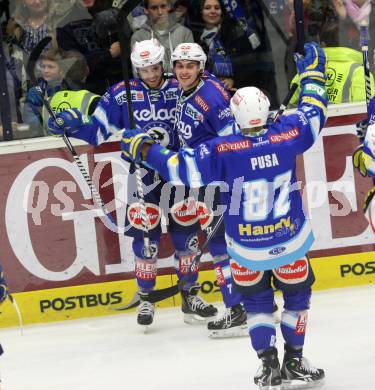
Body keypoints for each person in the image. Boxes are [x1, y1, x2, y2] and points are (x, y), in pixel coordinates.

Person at [120, 42, 327, 389]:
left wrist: (142, 147)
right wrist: (313, 77)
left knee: (259, 307)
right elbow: (315, 110)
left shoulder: (221, 151)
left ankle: (268, 366)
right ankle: (294, 360)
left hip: (246, 249)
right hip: (290, 242)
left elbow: (176, 167)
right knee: (296, 301)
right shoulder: (287, 133)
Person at [47, 38, 218, 328]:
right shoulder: (120, 93)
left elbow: (213, 103)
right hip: (142, 175)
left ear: (163, 63)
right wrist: (72, 125)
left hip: (179, 172)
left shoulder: (182, 85)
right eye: (143, 70)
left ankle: (190, 295)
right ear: (135, 68)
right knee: (145, 241)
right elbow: (98, 133)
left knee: (187, 239)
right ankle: (146, 298)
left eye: (154, 68)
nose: (150, 75)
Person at [167, 42, 249, 337]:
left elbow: (230, 141)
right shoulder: (183, 90)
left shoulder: (211, 98)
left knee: (220, 249)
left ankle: (237, 309)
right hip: (201, 181)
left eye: (190, 66)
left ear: (200, 68)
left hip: (216, 183)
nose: (184, 71)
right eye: (179, 65)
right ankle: (253, 303)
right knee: (228, 246)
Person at [288, 20, 375, 106]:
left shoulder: (306, 71)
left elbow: (290, 109)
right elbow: (368, 113)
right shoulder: (361, 73)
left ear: (322, 44)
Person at [57, 0, 123, 95]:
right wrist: (109, 54)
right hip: (89, 93)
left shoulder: (115, 15)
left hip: (121, 86)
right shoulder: (65, 25)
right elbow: (74, 66)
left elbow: (129, 51)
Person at [130, 0, 194, 74]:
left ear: (169, 6)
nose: (160, 12)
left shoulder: (185, 33)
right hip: (151, 84)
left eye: (163, 6)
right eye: (154, 8)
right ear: (146, 10)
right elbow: (138, 72)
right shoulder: (138, 37)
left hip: (180, 84)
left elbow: (190, 68)